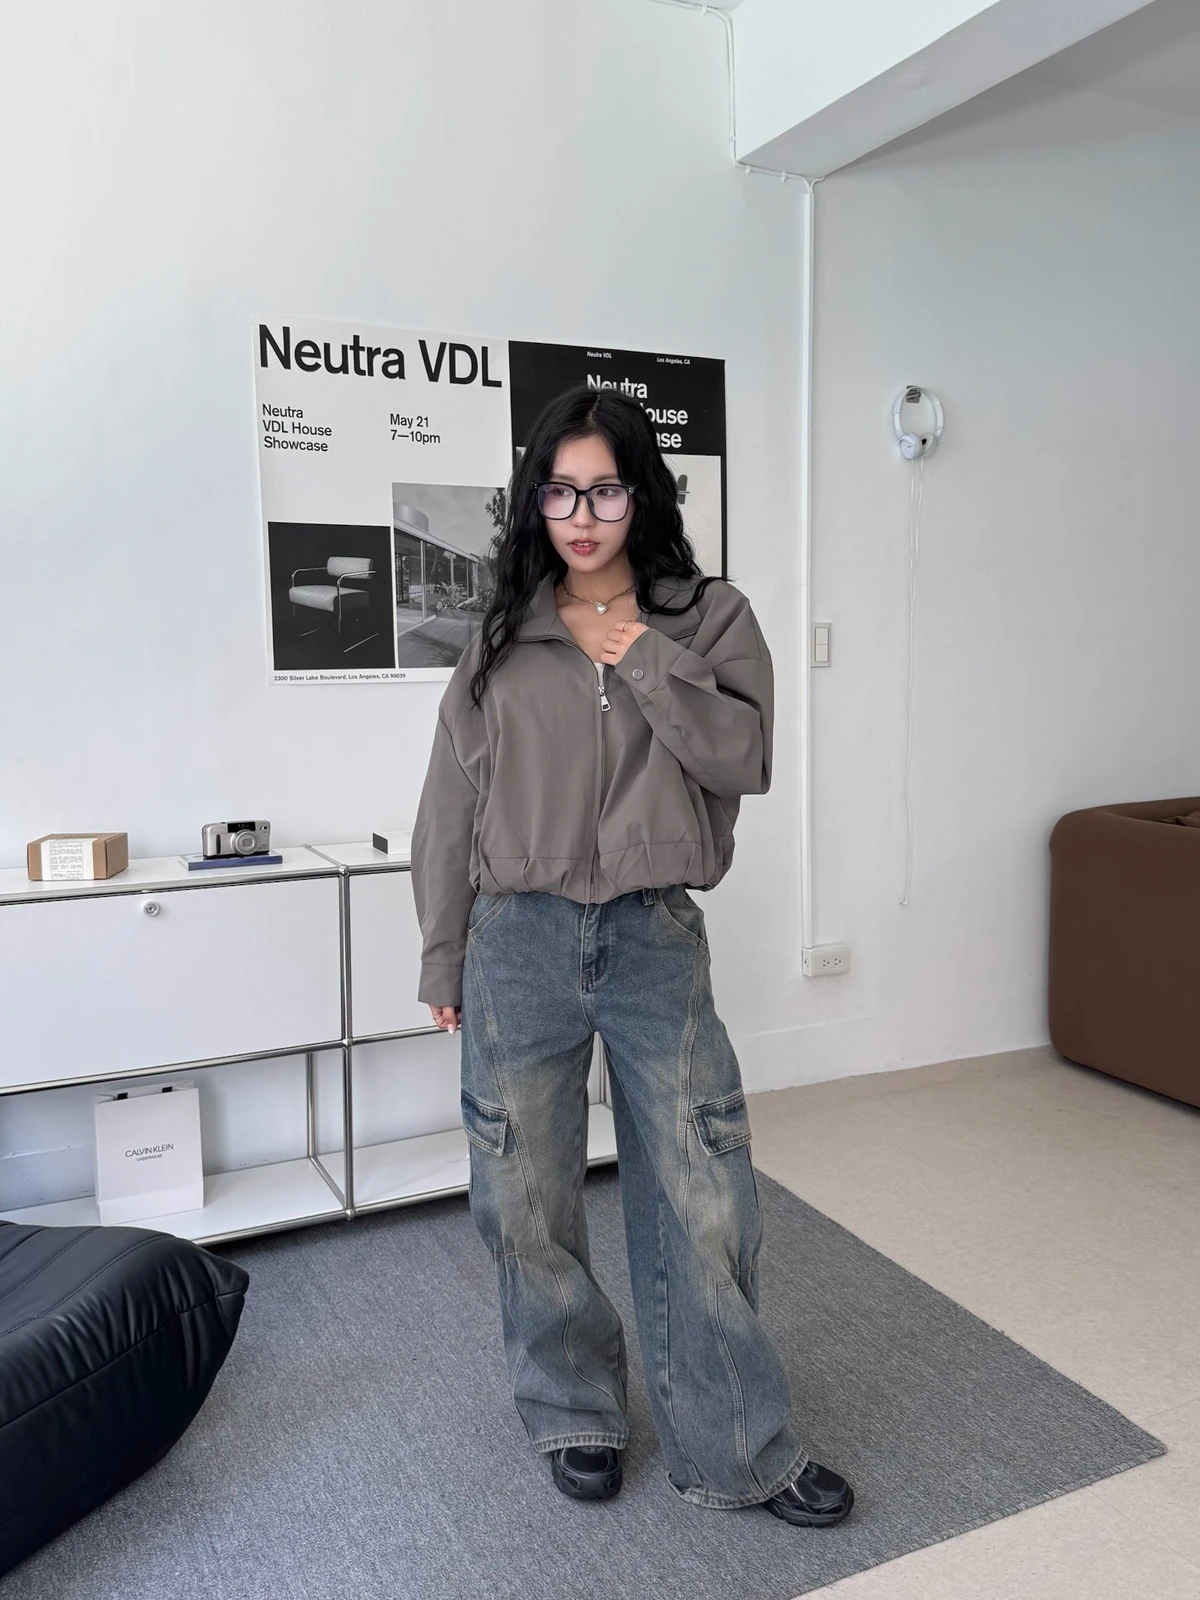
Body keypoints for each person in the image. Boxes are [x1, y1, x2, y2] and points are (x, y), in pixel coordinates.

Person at [410, 384, 853, 1526]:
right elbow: (449, 806)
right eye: (559, 492)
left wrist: (644, 655)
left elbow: (744, 758)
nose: (582, 515)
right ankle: (575, 1410)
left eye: (604, 490)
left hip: (652, 932)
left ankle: (738, 1445)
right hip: (516, 939)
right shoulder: (502, 633)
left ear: (641, 493)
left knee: (705, 1192)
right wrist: (442, 955)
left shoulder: (708, 618)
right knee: (524, 1196)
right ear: (535, 502)